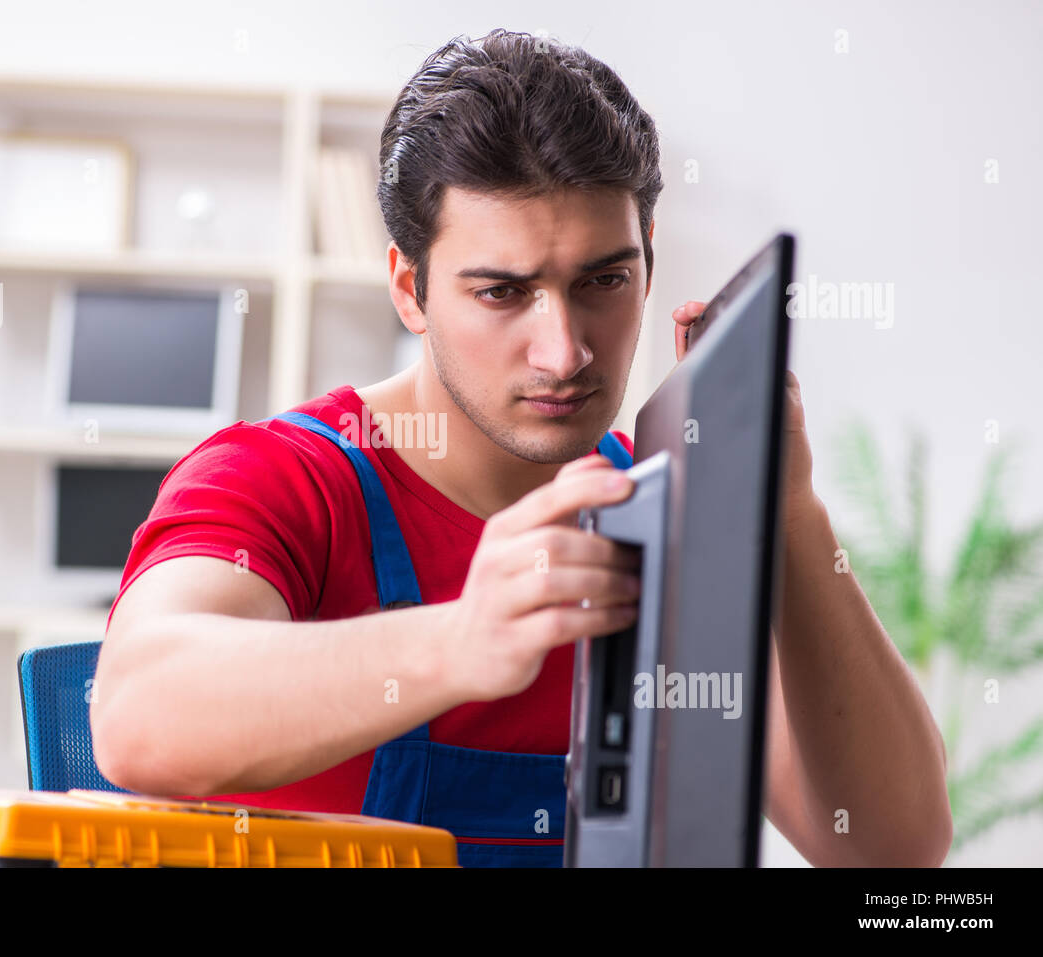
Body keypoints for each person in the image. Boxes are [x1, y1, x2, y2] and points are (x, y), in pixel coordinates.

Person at [91, 29, 952, 867]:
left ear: (648, 266)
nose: (565, 350)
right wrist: (459, 639)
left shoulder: (651, 511)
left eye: (603, 281)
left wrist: (791, 512)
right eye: (504, 291)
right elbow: (137, 715)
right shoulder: (283, 478)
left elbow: (888, 849)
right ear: (410, 288)